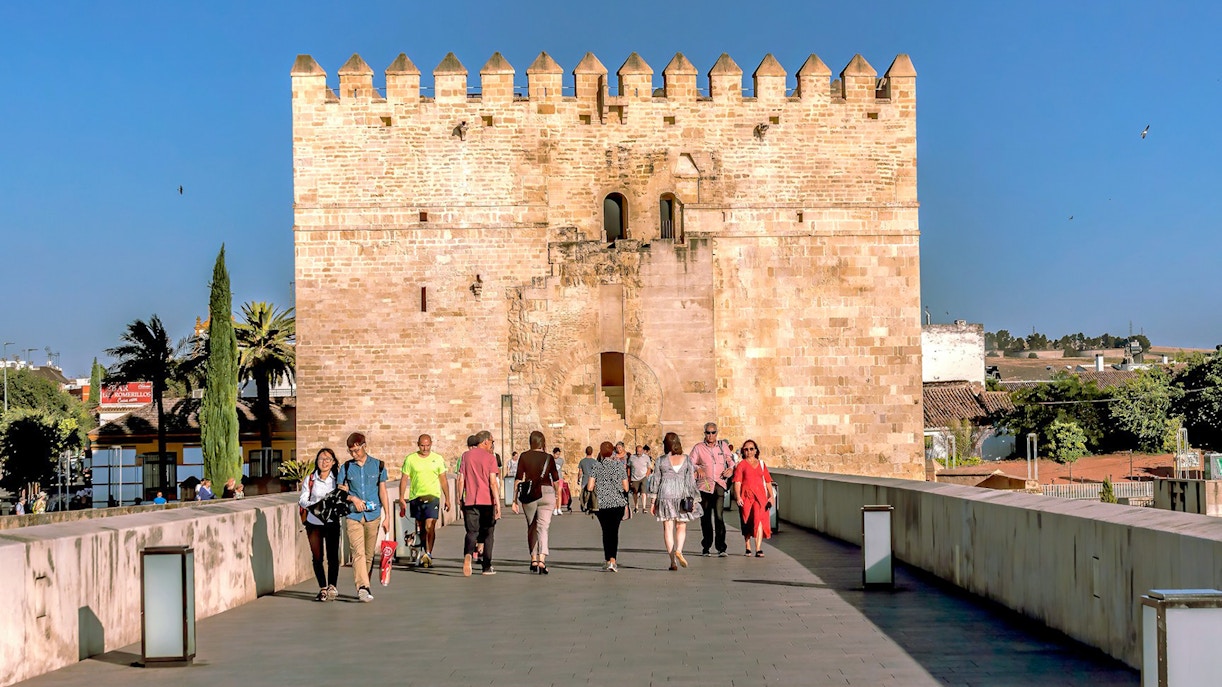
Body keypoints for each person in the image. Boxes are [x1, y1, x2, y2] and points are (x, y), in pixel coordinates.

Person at [338, 432, 391, 602]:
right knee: (358, 552)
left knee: (368, 555)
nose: (354, 454)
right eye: (351, 451)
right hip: (353, 515)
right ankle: (362, 586)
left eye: (357, 450)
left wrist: (387, 516)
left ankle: (365, 585)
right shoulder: (346, 468)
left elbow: (382, 491)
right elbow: (339, 490)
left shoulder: (378, 466)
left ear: (364, 446)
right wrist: (352, 497)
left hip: (373, 515)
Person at [651, 432, 702, 570]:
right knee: (681, 525)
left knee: (668, 528)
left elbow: (656, 480)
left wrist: (652, 501)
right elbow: (691, 481)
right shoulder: (686, 459)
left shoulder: (661, 460)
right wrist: (695, 499)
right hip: (682, 494)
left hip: (665, 494)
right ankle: (679, 550)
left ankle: (672, 561)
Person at [396, 434, 450, 568]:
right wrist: (402, 497)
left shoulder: (437, 459)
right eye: (422, 445)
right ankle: (423, 551)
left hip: (433, 497)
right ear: (418, 444)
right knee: (421, 527)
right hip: (416, 497)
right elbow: (404, 479)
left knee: (429, 526)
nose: (425, 448)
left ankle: (428, 553)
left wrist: (448, 498)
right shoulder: (410, 459)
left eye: (427, 445)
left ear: (431, 444)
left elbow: (443, 479)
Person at [512, 430, 561, 574]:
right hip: (546, 493)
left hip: (530, 494)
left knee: (531, 526)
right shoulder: (549, 458)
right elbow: (556, 480)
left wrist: (514, 500)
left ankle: (533, 558)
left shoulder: (524, 456)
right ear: (543, 443)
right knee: (543, 527)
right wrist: (557, 496)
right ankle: (542, 560)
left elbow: (518, 479)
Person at [457, 430, 502, 576]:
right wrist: (498, 504)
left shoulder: (466, 456)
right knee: (488, 532)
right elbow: (493, 483)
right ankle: (486, 566)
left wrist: (460, 498)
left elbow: (461, 479)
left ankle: (468, 555)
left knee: (471, 532)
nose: (492, 445)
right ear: (485, 442)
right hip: (487, 501)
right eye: (492, 442)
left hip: (470, 500)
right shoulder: (490, 458)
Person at [300, 448, 342, 601]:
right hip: (314, 521)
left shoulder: (337, 479)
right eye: (321, 459)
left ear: (333, 462)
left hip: (331, 521)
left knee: (332, 556)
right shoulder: (310, 479)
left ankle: (332, 586)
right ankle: (322, 587)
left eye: (328, 459)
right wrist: (316, 505)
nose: (324, 462)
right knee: (317, 557)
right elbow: (303, 499)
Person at [690, 421, 735, 557]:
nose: (710, 435)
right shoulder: (698, 447)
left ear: (716, 433)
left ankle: (721, 547)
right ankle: (706, 546)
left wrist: (731, 469)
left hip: (719, 484)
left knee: (719, 517)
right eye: (708, 433)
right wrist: (698, 468)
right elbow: (690, 462)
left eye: (713, 432)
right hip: (704, 486)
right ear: (704, 433)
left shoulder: (723, 446)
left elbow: (731, 460)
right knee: (705, 518)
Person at [587, 441, 629, 572]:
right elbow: (626, 487)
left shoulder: (596, 466)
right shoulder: (619, 465)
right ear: (612, 451)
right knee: (614, 532)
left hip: (602, 504)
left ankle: (607, 560)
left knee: (606, 532)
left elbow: (590, 486)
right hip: (617, 503)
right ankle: (613, 560)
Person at [733, 439, 775, 557]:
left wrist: (771, 496)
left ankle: (758, 548)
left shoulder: (761, 464)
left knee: (759, 520)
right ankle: (747, 546)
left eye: (751, 449)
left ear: (756, 450)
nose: (749, 451)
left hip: (760, 498)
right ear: (743, 451)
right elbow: (737, 482)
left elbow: (767, 481)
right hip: (746, 497)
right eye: (746, 449)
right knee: (747, 521)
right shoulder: (741, 465)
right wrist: (738, 497)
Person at [627, 445, 652, 513]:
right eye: (637, 451)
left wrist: (647, 475)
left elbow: (649, 467)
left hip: (643, 477)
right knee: (635, 493)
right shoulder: (632, 457)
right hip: (634, 478)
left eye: (640, 451)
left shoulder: (646, 457)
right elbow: (628, 467)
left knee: (643, 492)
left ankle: (644, 508)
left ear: (642, 451)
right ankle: (636, 507)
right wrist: (629, 476)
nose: (638, 452)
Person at [551, 447, 568, 515]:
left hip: (559, 478)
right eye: (556, 454)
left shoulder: (561, 460)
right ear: (554, 453)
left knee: (559, 493)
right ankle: (555, 508)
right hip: (552, 479)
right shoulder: (551, 460)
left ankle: (559, 508)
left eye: (558, 454)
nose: (557, 456)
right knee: (554, 494)